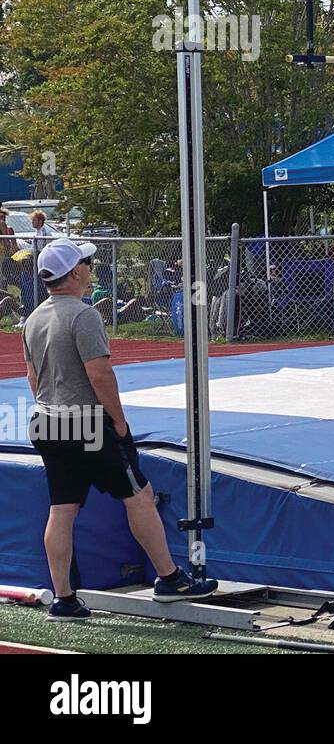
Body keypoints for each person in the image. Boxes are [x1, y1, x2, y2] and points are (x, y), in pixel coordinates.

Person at [23, 238, 218, 619]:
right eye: (86, 263)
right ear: (75, 272)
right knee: (138, 496)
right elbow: (100, 373)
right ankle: (168, 578)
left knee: (61, 509)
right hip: (87, 424)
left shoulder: (34, 318)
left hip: (47, 421)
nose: (90, 268)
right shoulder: (84, 315)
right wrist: (119, 422)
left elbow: (34, 378)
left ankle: (63, 598)